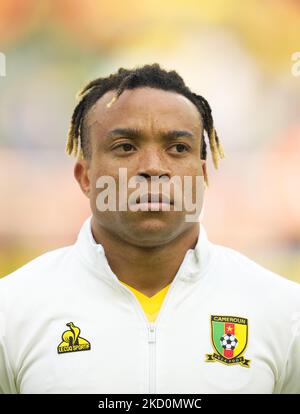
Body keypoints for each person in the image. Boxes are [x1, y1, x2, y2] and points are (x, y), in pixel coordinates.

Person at [0, 63, 299, 394]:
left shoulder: (284, 311)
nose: (153, 168)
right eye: (126, 147)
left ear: (202, 176)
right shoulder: (11, 310)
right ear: (85, 177)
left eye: (177, 148)